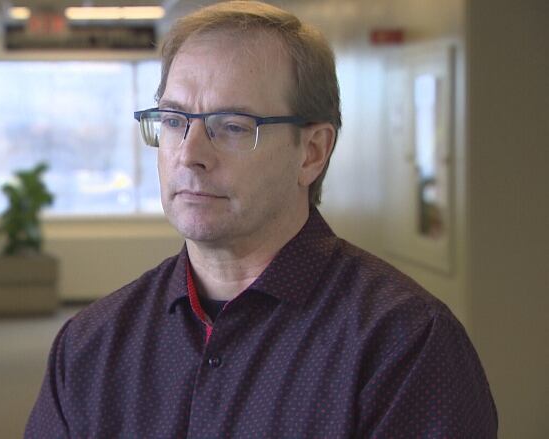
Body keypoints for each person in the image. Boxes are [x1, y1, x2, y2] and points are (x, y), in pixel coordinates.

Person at [25, 1, 497, 437]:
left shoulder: (403, 344)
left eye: (232, 126)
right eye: (173, 121)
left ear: (311, 153)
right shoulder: (92, 344)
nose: (190, 155)